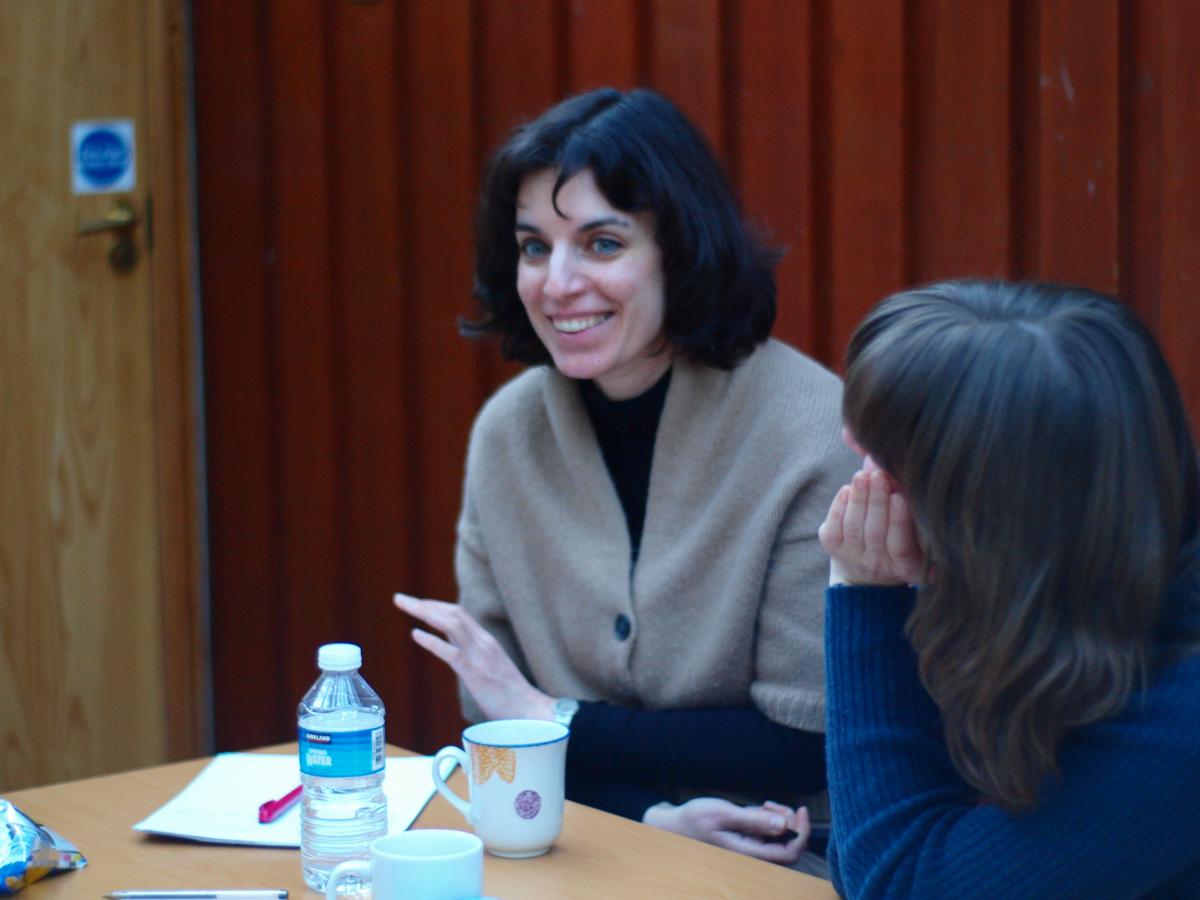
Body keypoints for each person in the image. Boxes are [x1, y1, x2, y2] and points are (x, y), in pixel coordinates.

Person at [393, 87, 857, 867]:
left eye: (602, 244)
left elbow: (803, 740)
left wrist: (554, 714)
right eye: (534, 247)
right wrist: (644, 815)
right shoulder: (506, 434)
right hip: (570, 836)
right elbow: (494, 730)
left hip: (785, 856)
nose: (556, 282)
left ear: (681, 248)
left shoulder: (811, 429)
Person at [819, 278, 1200, 897]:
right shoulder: (1063, 590)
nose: (861, 471)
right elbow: (874, 846)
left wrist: (865, 592)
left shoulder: (1184, 715)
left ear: (986, 511)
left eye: (887, 459)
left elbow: (897, 881)